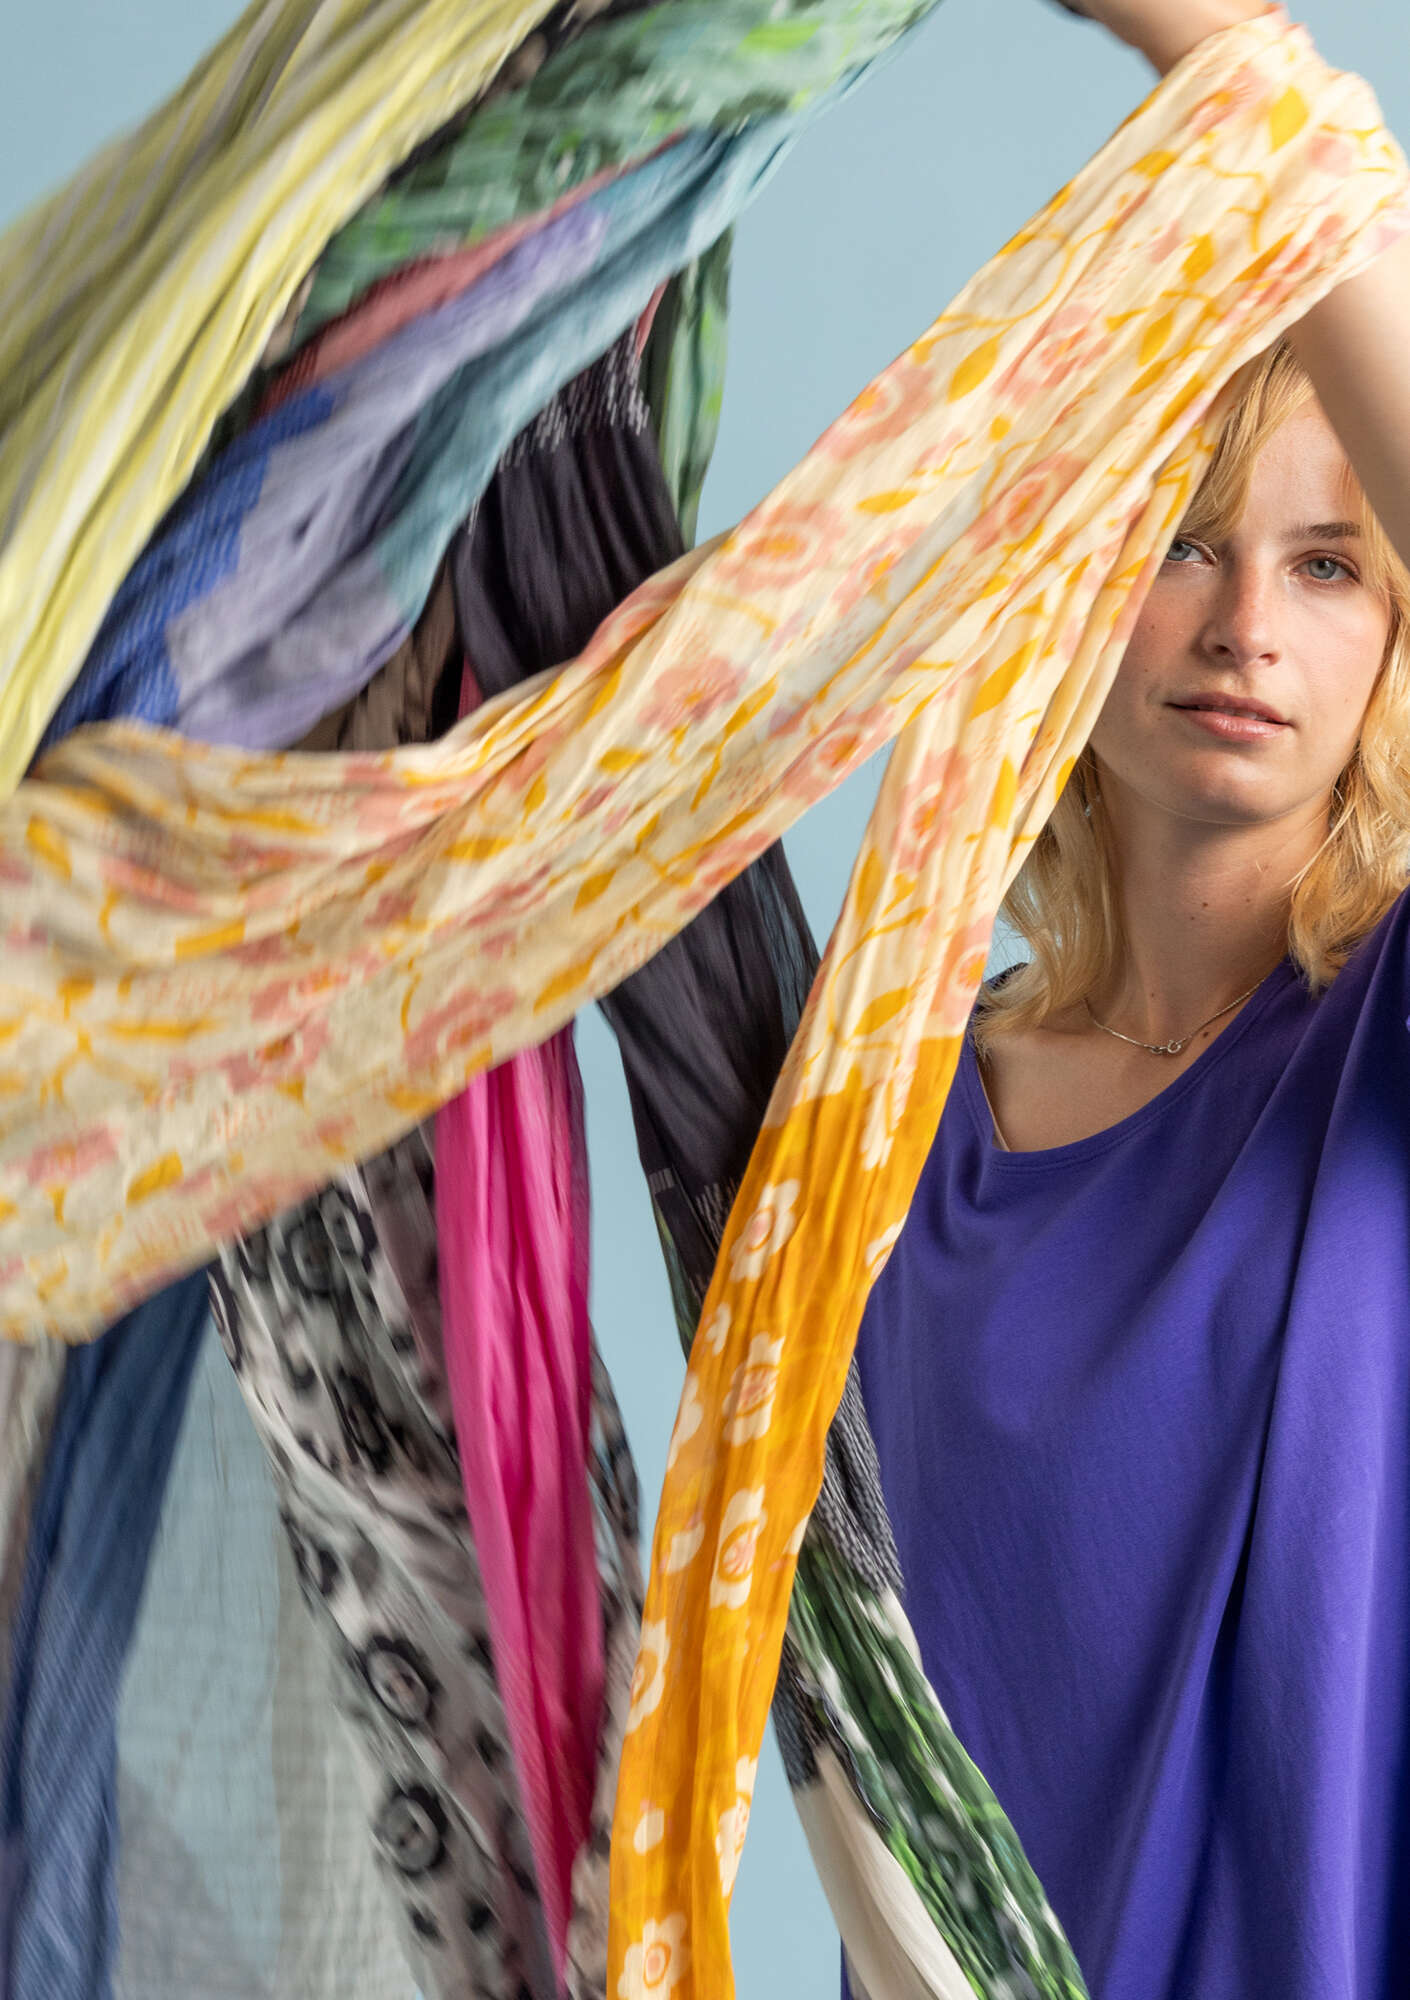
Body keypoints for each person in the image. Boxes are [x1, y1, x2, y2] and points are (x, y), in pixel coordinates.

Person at [852, 3, 1410, 1996]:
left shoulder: (1381, 1041)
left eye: (1328, 565)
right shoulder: (879, 1110)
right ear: (1071, 586)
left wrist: (1205, 38)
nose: (1247, 625)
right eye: (1181, 543)